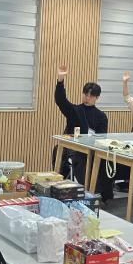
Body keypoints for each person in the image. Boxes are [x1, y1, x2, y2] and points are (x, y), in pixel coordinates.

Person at [53, 64, 112, 200]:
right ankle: (90, 191)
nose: (87, 98)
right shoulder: (74, 110)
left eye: (91, 96)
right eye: (86, 94)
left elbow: (102, 137)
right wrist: (60, 80)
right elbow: (60, 100)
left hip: (94, 148)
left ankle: (102, 193)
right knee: (77, 157)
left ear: (97, 98)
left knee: (106, 160)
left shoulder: (101, 116)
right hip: (75, 148)